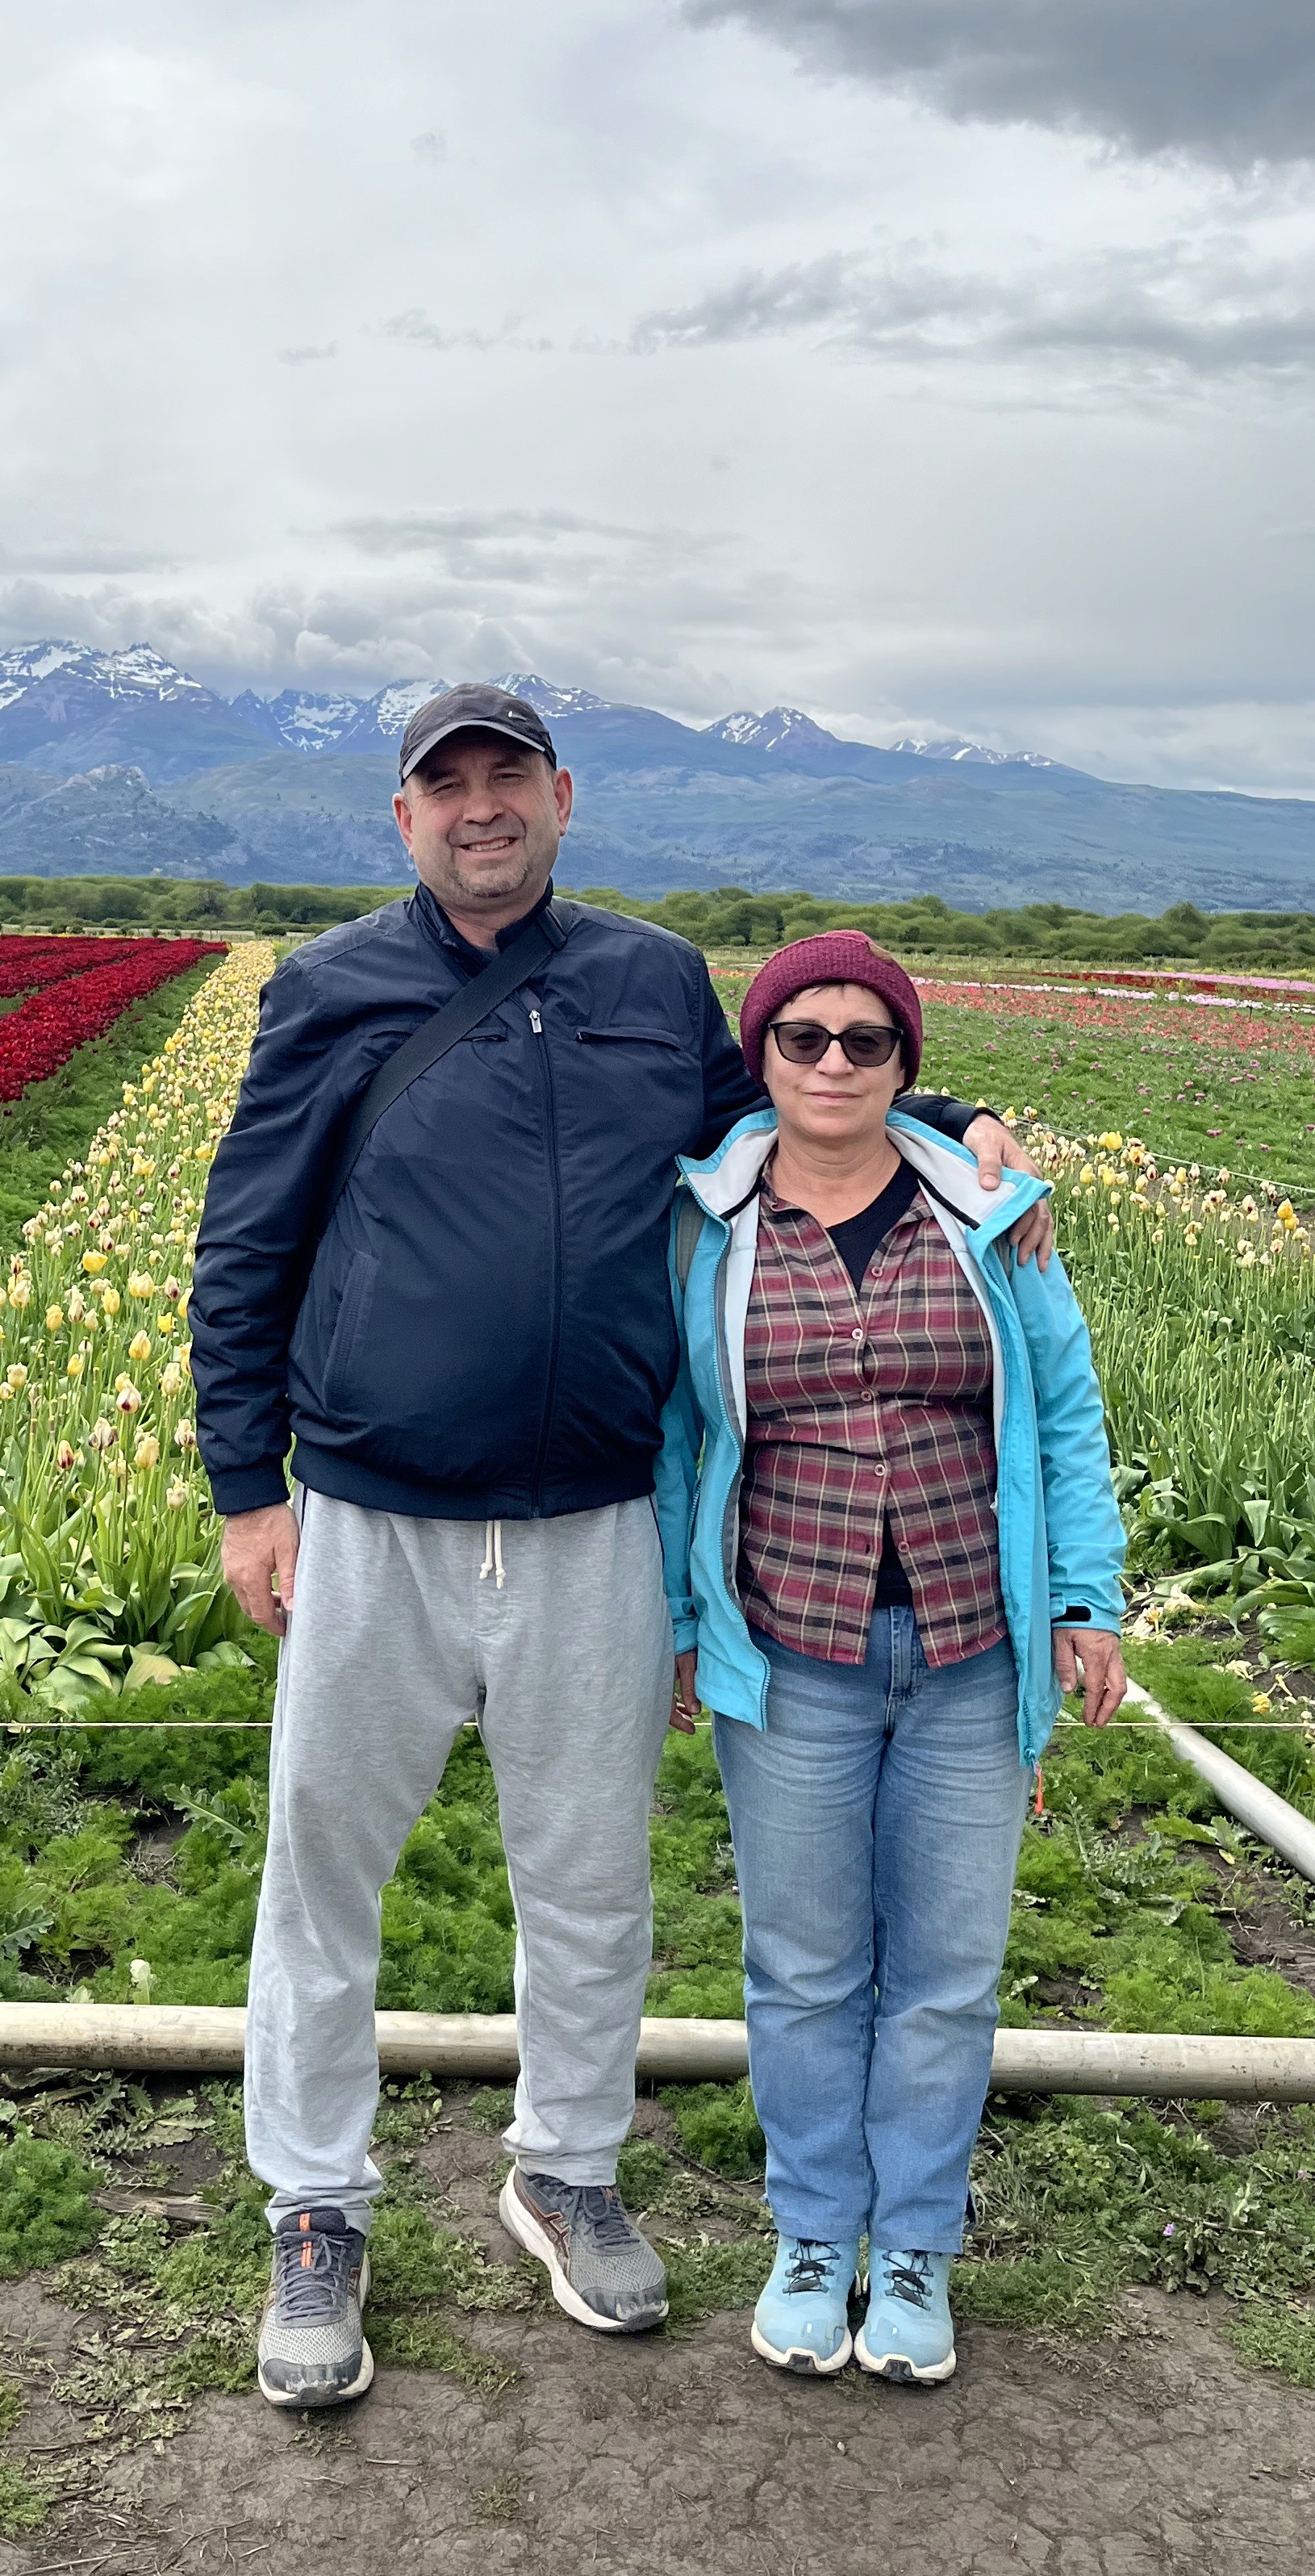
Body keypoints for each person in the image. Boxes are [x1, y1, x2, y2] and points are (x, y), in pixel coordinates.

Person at [188, 685, 1052, 2412]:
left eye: (510, 779)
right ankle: (316, 2204)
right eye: (450, 786)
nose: (482, 809)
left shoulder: (651, 982)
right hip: (373, 1510)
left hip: (593, 1515)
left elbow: (789, 1120)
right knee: (324, 1872)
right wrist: (246, 1486)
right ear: (405, 816)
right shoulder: (331, 988)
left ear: (564, 798)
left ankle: (566, 2169)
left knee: (588, 1880)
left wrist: (945, 1119)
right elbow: (249, 1234)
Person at [658, 930, 1125, 2389]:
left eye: (868, 1041)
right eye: (805, 1039)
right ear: (764, 1061)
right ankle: (813, 2235)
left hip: (975, 1648)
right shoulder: (703, 1225)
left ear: (909, 1064)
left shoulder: (991, 1215)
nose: (837, 1063)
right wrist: (680, 1625)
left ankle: (913, 2245)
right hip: (792, 1649)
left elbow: (1062, 1407)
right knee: (799, 1968)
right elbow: (678, 1438)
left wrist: (1088, 1599)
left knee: (944, 1972)